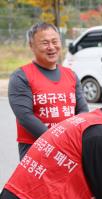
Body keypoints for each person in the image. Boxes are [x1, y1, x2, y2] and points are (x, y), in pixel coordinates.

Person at [8, 22, 89, 160]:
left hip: (69, 150)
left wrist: (72, 139)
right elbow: (25, 117)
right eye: (45, 43)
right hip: (36, 152)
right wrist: (58, 141)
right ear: (31, 46)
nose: (51, 47)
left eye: (55, 41)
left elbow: (83, 112)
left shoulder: (71, 75)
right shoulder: (21, 76)